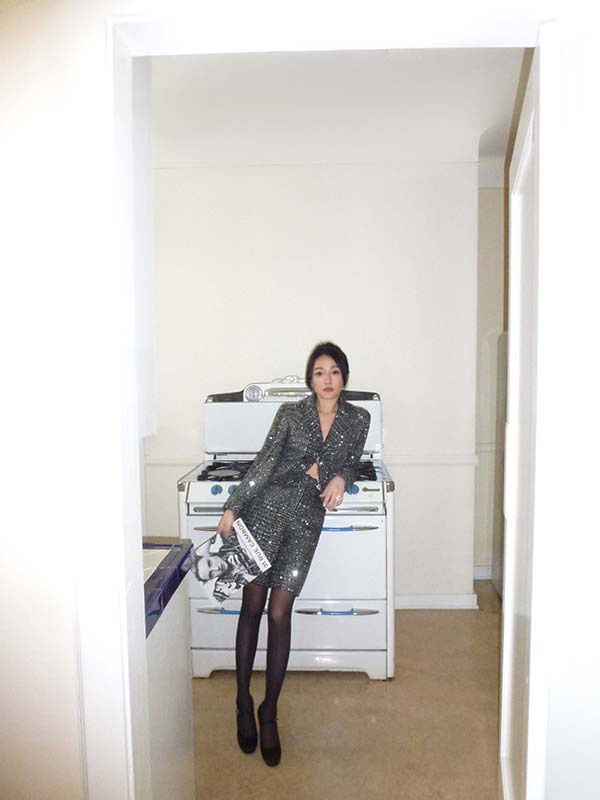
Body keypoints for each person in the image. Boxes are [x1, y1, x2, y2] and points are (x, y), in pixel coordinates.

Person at [216, 341, 371, 766]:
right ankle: (243, 701)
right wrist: (233, 507)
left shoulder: (359, 419)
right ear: (310, 379)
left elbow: (353, 460)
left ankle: (269, 712)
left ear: (344, 377)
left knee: (280, 614)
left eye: (334, 371)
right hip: (265, 512)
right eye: (319, 372)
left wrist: (340, 476)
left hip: (305, 523)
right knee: (252, 606)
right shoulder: (290, 414)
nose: (327, 379)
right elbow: (266, 462)